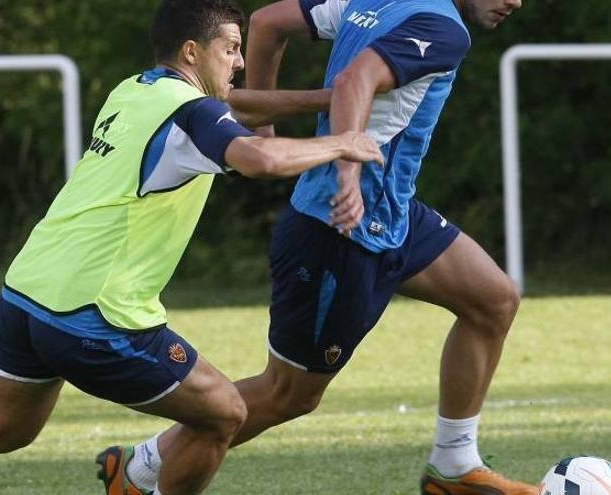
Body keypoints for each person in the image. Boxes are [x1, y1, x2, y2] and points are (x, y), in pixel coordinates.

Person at [0, 1, 385, 495]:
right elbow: (258, 156)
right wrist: (342, 141)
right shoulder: (190, 113)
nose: (238, 60)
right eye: (230, 48)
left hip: (28, 292)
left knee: (2, 425)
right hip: (95, 313)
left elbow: (238, 107)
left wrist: (324, 98)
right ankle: (137, 482)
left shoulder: (136, 90)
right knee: (224, 414)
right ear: (191, 53)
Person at [104, 0, 537, 494]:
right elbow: (354, 81)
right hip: (338, 227)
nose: (515, 2)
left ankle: (454, 465)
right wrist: (348, 175)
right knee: (288, 394)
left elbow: (267, 22)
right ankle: (141, 469)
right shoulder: (443, 29)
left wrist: (260, 119)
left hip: (394, 212)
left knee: (493, 300)